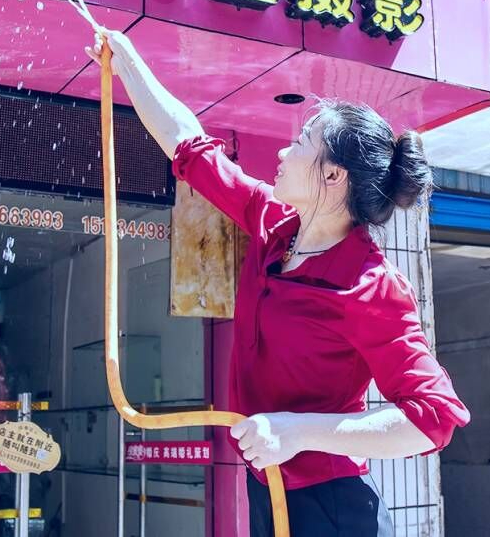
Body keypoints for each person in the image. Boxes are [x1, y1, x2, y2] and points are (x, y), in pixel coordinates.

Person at [87, 30, 470, 537]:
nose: (284, 153)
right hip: (267, 488)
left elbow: (434, 418)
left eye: (301, 144)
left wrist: (296, 432)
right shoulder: (273, 223)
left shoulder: (373, 286)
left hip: (331, 508)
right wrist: (130, 65)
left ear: (332, 177)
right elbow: (190, 146)